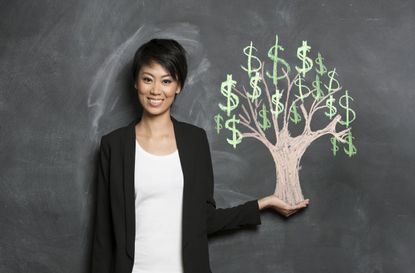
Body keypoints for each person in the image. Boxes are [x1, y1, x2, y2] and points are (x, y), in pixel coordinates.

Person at [90, 38, 310, 273]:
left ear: (179, 86)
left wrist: (263, 204)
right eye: (147, 79)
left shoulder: (194, 142)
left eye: (166, 81)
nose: (156, 90)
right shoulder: (114, 145)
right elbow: (103, 235)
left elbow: (204, 218)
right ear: (136, 82)